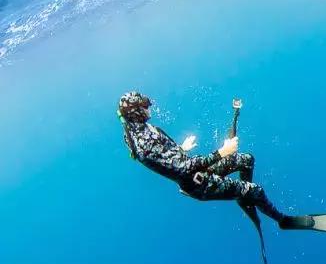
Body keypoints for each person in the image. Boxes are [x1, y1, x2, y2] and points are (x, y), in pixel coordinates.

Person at [118, 91, 292, 226]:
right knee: (257, 191)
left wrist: (180, 148)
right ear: (136, 112)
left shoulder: (135, 128)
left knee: (247, 159)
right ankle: (282, 221)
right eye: (145, 105)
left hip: (195, 171)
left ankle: (244, 197)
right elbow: (183, 168)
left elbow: (162, 159)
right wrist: (222, 152)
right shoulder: (143, 144)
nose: (150, 107)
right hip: (199, 184)